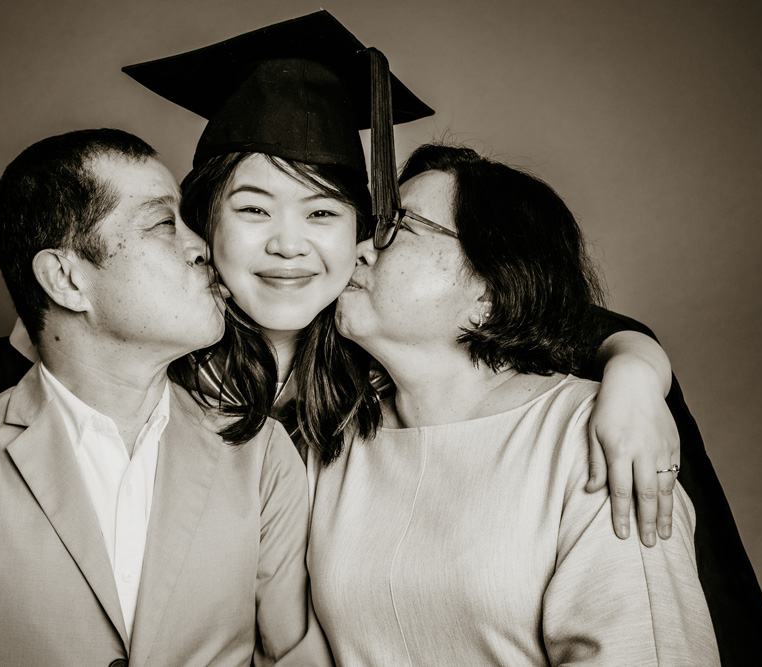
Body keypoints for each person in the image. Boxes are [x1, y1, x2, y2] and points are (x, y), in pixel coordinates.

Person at [0, 11, 762, 667]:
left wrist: (635, 371)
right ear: (199, 229)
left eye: (325, 214)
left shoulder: (378, 364)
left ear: (364, 234)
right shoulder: (147, 353)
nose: (286, 248)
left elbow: (556, 325)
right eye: (251, 209)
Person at [0, 129, 330, 667]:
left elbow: (293, 653)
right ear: (66, 279)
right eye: (165, 223)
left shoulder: (260, 453)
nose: (200, 246)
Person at [308, 143, 720, 665]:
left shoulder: (594, 439)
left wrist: (637, 366)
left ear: (488, 291)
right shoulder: (337, 438)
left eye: (401, 227)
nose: (361, 248)